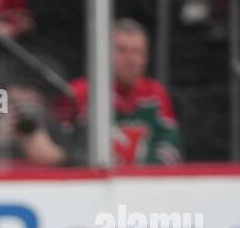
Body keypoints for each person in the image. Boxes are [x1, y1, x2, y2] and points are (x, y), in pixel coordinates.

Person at [61, 19, 182, 166]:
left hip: (144, 185)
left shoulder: (155, 94)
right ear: (105, 54)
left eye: (137, 52)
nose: (130, 59)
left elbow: (172, 151)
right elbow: (63, 151)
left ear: (146, 58)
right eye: (122, 50)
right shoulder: (78, 93)